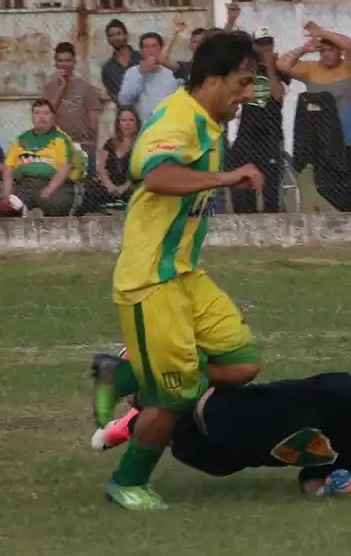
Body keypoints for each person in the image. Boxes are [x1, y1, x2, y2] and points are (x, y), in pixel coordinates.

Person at [95, 29, 266, 512]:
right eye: (243, 81)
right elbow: (155, 174)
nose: (248, 93)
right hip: (151, 280)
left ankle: (124, 374)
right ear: (212, 78)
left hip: (186, 274)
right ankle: (127, 481)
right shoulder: (177, 118)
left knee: (243, 362)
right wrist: (226, 177)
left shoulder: (208, 121)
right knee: (175, 397)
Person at [92, 353, 351, 498]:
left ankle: (134, 420)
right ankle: (134, 368)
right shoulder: (339, 387)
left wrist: (331, 488)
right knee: (161, 396)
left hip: (211, 456)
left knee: (163, 426)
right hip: (211, 405)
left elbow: (310, 480)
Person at [276, 22, 351, 213]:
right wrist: (304, 49)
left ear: (338, 51)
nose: (326, 54)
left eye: (330, 49)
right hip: (324, 141)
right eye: (322, 50)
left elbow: (350, 45)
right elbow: (282, 64)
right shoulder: (311, 69)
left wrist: (323, 33)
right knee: (324, 186)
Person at [229, 26, 288, 213]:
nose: (265, 49)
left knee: (270, 186)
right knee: (243, 183)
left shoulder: (279, 68)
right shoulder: (245, 67)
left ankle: (272, 222)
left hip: (271, 132)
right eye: (261, 45)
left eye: (268, 44)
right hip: (248, 131)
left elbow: (278, 96)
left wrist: (270, 66)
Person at [0, 98, 82, 217]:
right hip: (25, 185)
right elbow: (8, 167)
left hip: (53, 185)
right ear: (32, 117)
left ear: (53, 117)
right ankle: (25, 210)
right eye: (37, 113)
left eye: (46, 113)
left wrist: (49, 189)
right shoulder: (21, 139)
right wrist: (7, 193)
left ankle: (32, 212)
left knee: (56, 203)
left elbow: (65, 168)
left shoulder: (62, 140)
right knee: (2, 203)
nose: (41, 117)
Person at [41, 41, 101, 159]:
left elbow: (93, 114)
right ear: (55, 63)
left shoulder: (84, 86)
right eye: (60, 61)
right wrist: (61, 89)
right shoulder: (49, 87)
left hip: (81, 144)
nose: (64, 64)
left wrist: (92, 141)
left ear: (74, 62)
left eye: (68, 60)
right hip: (56, 142)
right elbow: (48, 112)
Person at [79, 105, 140, 213]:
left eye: (131, 120)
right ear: (118, 123)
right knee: (91, 189)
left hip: (130, 186)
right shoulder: (110, 143)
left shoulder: (141, 144)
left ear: (137, 123)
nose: (127, 124)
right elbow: (101, 168)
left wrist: (124, 187)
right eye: (123, 120)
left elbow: (140, 170)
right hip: (110, 186)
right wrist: (110, 186)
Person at [118, 31, 182, 121]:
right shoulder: (133, 72)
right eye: (146, 47)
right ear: (141, 51)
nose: (150, 50)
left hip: (169, 125)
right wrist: (141, 74)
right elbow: (124, 101)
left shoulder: (172, 72)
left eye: (154, 46)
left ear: (161, 48)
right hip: (145, 127)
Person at [99, 19, 136, 101]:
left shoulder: (141, 59)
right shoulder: (107, 69)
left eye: (119, 33)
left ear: (126, 35)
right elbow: (113, 96)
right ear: (108, 40)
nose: (115, 38)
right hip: (125, 112)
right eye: (111, 35)